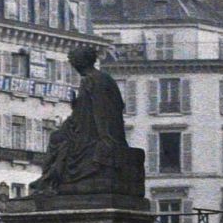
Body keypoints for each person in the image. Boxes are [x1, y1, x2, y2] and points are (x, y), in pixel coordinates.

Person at [30, 43, 144, 198]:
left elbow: (99, 110)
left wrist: (104, 136)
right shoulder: (104, 78)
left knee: (58, 139)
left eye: (73, 61)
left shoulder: (91, 80)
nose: (72, 65)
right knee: (58, 137)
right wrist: (77, 105)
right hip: (89, 126)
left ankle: (49, 180)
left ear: (79, 62)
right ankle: (48, 179)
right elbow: (103, 106)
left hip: (91, 131)